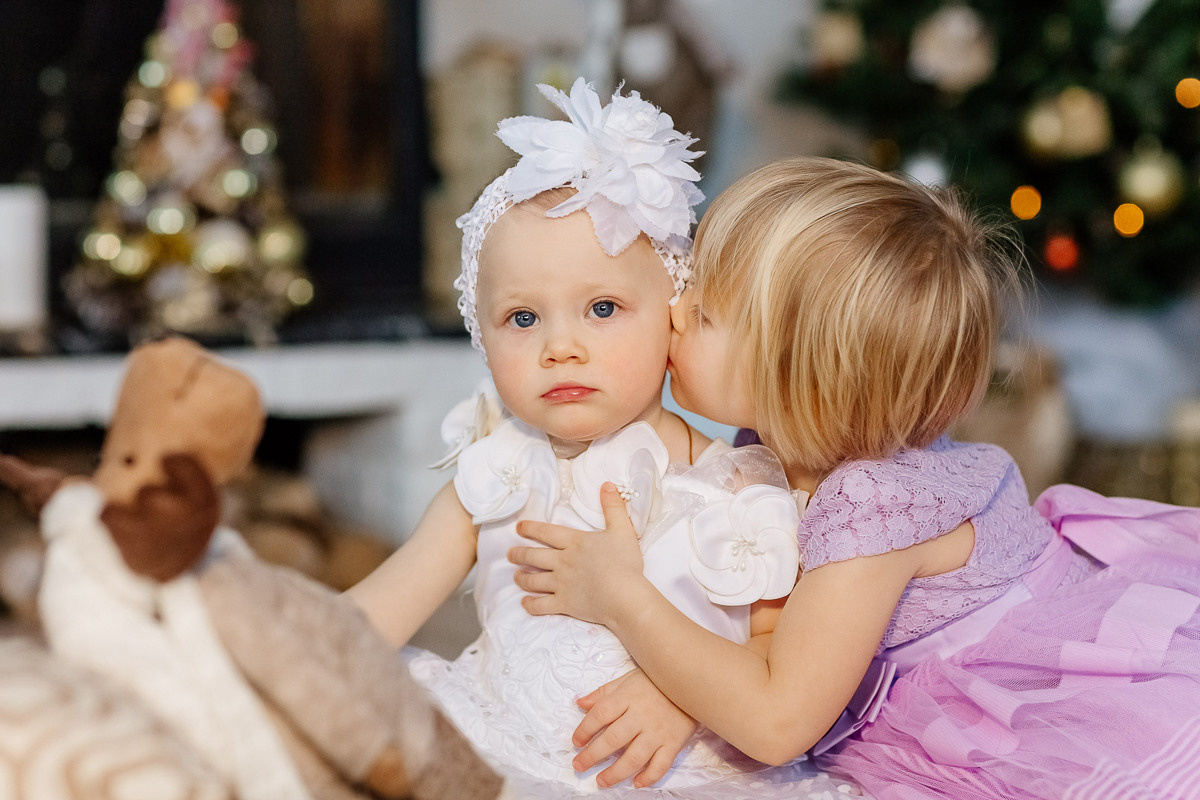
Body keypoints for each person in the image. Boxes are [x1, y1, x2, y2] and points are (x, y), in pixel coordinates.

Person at [509, 156, 1200, 800]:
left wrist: (621, 596)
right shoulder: (796, 439)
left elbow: (780, 718)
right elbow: (761, 613)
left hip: (1031, 693)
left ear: (802, 380)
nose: (674, 312)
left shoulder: (870, 509)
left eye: (706, 313)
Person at [348, 81, 857, 798]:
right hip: (500, 738)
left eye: (603, 308)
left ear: (672, 314)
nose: (562, 346)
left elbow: (773, 651)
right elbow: (377, 613)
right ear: (482, 335)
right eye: (523, 320)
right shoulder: (497, 472)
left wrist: (683, 703)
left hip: (681, 773)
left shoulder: (739, 486)